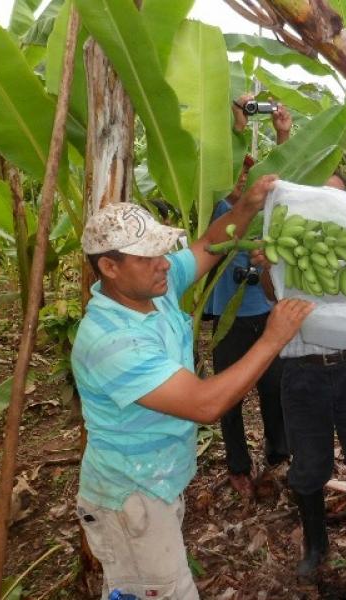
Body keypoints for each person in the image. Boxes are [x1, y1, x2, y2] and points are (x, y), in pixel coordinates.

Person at [72, 177, 314, 599]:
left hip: (156, 483)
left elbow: (206, 246)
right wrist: (273, 338)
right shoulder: (112, 341)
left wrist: (246, 206)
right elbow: (206, 405)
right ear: (110, 267)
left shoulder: (153, 290)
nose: (165, 263)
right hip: (132, 499)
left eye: (163, 253)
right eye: (149, 257)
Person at [256, 174, 346, 591]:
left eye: (339, 195)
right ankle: (315, 546)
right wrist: (267, 264)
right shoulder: (292, 237)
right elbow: (272, 294)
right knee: (310, 467)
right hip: (303, 373)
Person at [208, 97, 293, 499]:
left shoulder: (267, 213)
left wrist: (282, 134)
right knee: (229, 396)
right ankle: (238, 465)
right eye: (238, 173)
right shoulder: (218, 213)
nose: (244, 180)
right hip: (228, 317)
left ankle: (278, 454)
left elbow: (286, 173)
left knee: (274, 389)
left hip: (266, 312)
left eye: (249, 175)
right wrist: (237, 126)